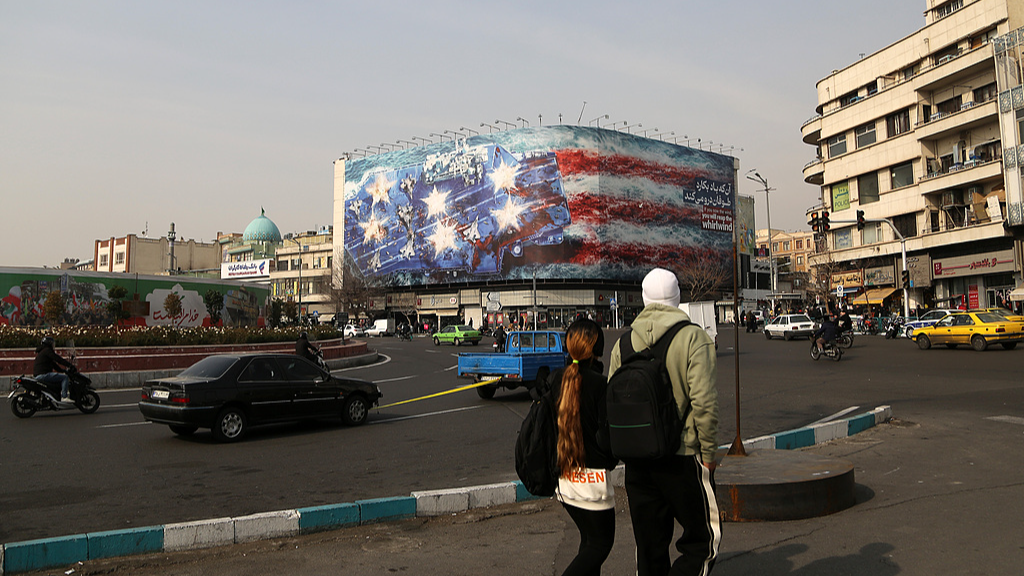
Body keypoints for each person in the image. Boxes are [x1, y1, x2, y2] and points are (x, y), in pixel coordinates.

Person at [607, 268, 721, 576]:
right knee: (703, 542)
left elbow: (612, 403)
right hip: (683, 457)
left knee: (649, 548)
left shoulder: (623, 344)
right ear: (678, 298)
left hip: (638, 462)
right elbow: (705, 404)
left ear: (643, 299)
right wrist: (709, 455)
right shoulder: (693, 338)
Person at [549, 319, 618, 576]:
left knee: (588, 542)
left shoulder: (558, 379)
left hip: (565, 479)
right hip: (593, 483)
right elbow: (606, 437)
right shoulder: (599, 384)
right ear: (597, 349)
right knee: (600, 544)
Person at [34, 336, 74, 402]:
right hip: (44, 375)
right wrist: (69, 365)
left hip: (39, 375)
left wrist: (62, 370)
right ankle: (64, 397)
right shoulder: (47, 350)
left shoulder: (42, 352)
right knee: (65, 378)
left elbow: (53, 365)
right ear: (49, 343)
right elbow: (57, 359)